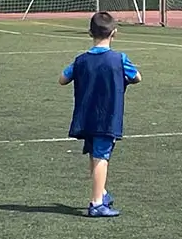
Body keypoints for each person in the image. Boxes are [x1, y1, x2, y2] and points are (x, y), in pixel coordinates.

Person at [59, 12, 142, 218]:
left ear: (89, 33)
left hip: (85, 115)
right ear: (115, 33)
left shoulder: (80, 60)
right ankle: (96, 203)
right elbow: (137, 77)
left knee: (94, 155)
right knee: (102, 157)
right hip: (107, 116)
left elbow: (62, 78)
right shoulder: (119, 59)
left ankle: (101, 191)